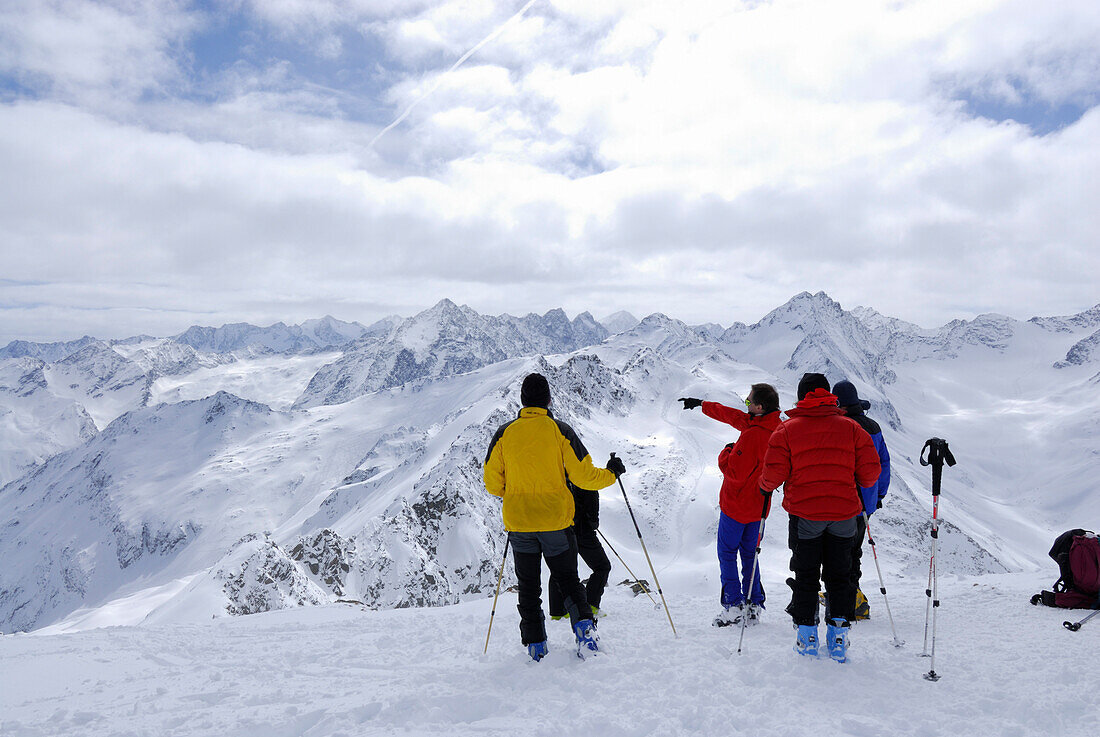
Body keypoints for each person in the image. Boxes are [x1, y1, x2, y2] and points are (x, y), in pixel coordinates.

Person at [483, 373, 626, 662]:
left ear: (522, 401)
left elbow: (492, 484)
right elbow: (584, 478)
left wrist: (516, 491)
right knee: (568, 580)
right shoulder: (560, 430)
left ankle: (537, 647)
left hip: (520, 523)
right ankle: (586, 636)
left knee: (528, 588)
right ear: (548, 400)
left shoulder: (503, 434)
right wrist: (612, 474)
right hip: (556, 523)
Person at [759, 373, 880, 663]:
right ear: (829, 395)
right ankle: (838, 638)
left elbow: (772, 476)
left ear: (801, 397)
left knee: (806, 575)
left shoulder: (787, 430)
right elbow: (870, 472)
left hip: (805, 515)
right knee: (840, 576)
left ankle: (807, 637)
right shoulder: (851, 428)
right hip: (843, 515)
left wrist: (765, 486)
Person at [678, 384, 781, 627]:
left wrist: (727, 451)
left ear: (759, 407)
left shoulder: (753, 434)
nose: (745, 406)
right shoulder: (775, 426)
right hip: (759, 509)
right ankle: (754, 604)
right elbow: (733, 415)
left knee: (727, 554)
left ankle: (733, 606)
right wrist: (702, 404)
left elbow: (733, 470)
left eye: (748, 402)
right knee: (750, 556)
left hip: (736, 507)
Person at [832, 379, 891, 619]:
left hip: (844, 501)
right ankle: (849, 595)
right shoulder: (873, 426)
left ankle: (851, 601)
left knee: (840, 552)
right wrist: (879, 494)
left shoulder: (840, 427)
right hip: (866, 502)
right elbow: (883, 463)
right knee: (854, 550)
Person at [547, 478, 612, 623]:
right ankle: (591, 605)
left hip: (561, 528)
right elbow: (591, 497)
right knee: (602, 566)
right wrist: (593, 522)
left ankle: (558, 612)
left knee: (560, 570)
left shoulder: (559, 471)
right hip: (583, 529)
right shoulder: (584, 473)